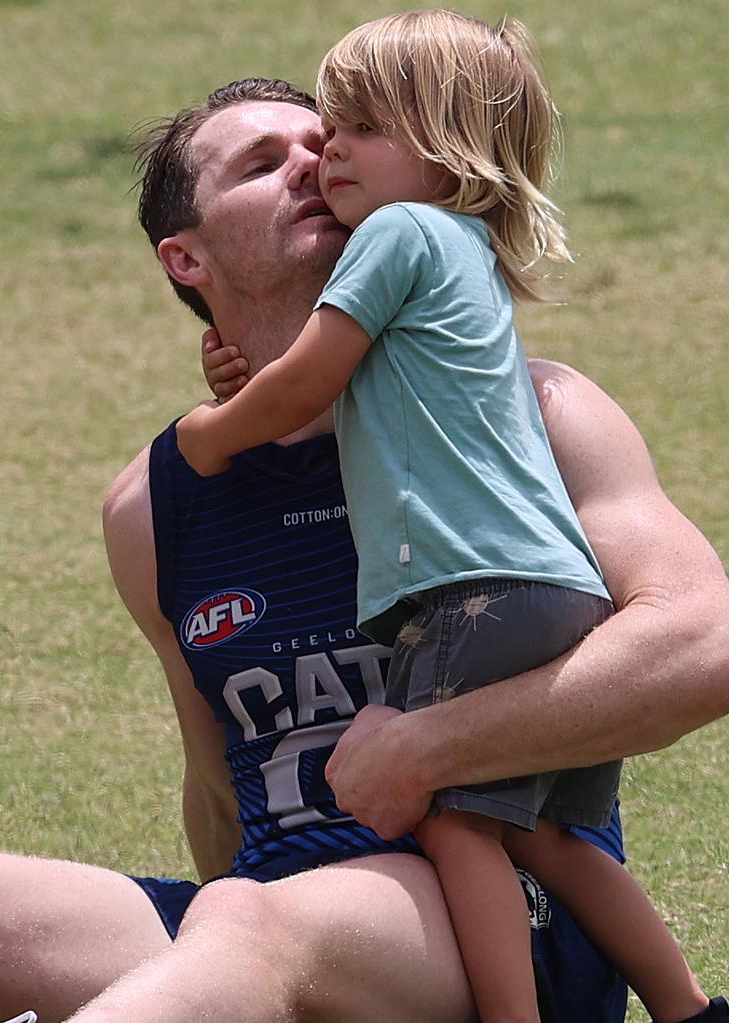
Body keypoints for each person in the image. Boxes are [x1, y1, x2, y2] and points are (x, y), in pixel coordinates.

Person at [0, 77, 727, 1023]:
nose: (311, 164)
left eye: (323, 143)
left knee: (252, 921)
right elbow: (220, 785)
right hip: (264, 926)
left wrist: (427, 746)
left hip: (502, 929)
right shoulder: (153, 505)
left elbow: (704, 645)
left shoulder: (536, 416)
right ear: (184, 257)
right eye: (261, 162)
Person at [174, 14, 723, 1023]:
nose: (328, 148)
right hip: (554, 590)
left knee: (455, 824)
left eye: (358, 127)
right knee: (547, 835)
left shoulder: (396, 232)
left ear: (444, 147)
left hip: (472, 593)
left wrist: (215, 431)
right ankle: (687, 1007)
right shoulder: (459, 251)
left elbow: (312, 382)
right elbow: (378, 386)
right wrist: (252, 368)